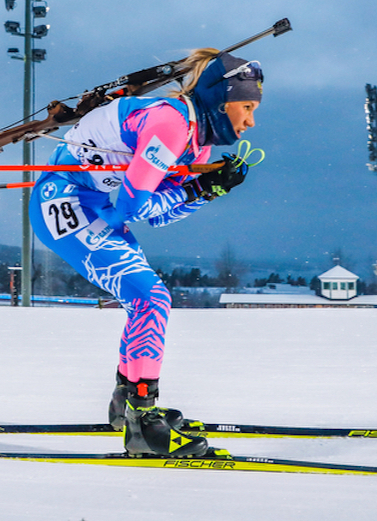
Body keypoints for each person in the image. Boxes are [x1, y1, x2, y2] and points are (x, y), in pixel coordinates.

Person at [28, 48, 264, 457]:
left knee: (147, 301)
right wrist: (193, 189)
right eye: (246, 106)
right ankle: (142, 420)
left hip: (96, 206)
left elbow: (158, 216)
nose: (250, 121)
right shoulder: (171, 123)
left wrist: (207, 189)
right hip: (65, 201)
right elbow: (134, 208)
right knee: (150, 298)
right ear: (220, 100)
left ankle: (129, 404)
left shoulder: (198, 143)